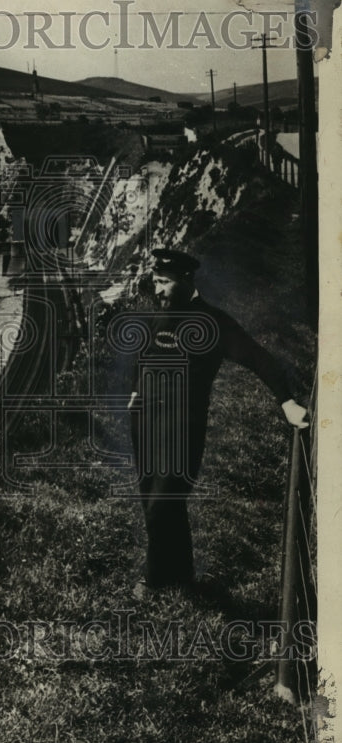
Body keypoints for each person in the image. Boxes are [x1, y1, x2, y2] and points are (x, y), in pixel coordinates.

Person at [127, 247, 308, 593]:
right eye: (155, 281)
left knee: (160, 504)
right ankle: (181, 576)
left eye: (164, 281)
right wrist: (134, 393)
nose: (158, 289)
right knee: (158, 497)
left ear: (185, 279)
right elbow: (143, 355)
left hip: (181, 429)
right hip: (145, 423)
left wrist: (286, 402)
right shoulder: (158, 313)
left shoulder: (214, 322)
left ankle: (152, 581)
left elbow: (258, 357)